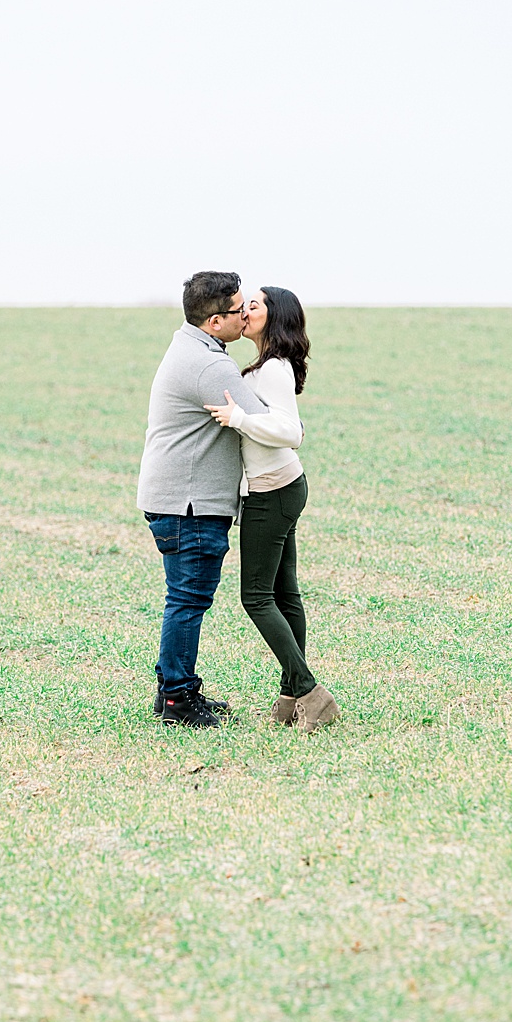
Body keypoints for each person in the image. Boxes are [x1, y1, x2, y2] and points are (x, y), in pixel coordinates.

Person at [135, 271, 269, 728]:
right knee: (188, 599)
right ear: (215, 321)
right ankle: (177, 699)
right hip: (189, 504)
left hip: (178, 498)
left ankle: (174, 689)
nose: (245, 315)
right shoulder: (210, 366)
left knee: (184, 597)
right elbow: (263, 420)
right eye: (238, 310)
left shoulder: (191, 346)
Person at [205, 285, 338, 732]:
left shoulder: (275, 369)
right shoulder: (264, 366)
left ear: (274, 316)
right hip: (281, 486)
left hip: (272, 491)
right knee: (285, 595)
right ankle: (290, 698)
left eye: (254, 305)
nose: (244, 310)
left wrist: (239, 419)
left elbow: (290, 431)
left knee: (256, 596)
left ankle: (310, 692)